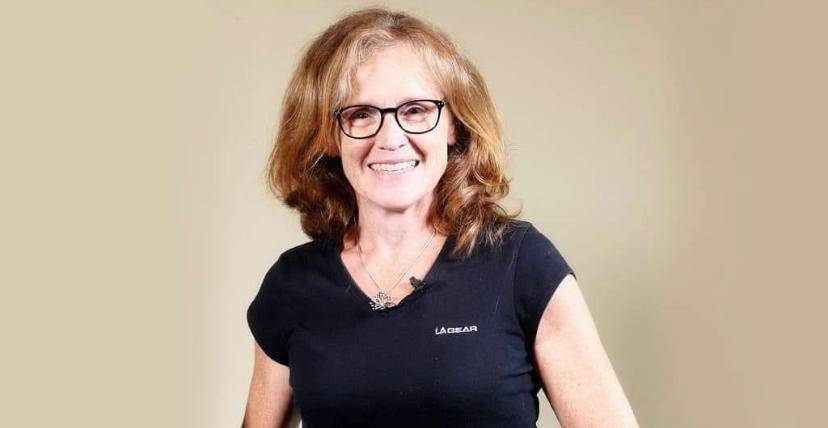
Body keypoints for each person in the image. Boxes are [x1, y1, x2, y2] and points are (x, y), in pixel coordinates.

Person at [242, 7, 638, 428]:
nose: (391, 138)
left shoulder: (522, 264)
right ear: (328, 135)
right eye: (360, 114)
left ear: (454, 125)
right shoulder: (293, 285)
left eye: (415, 110)